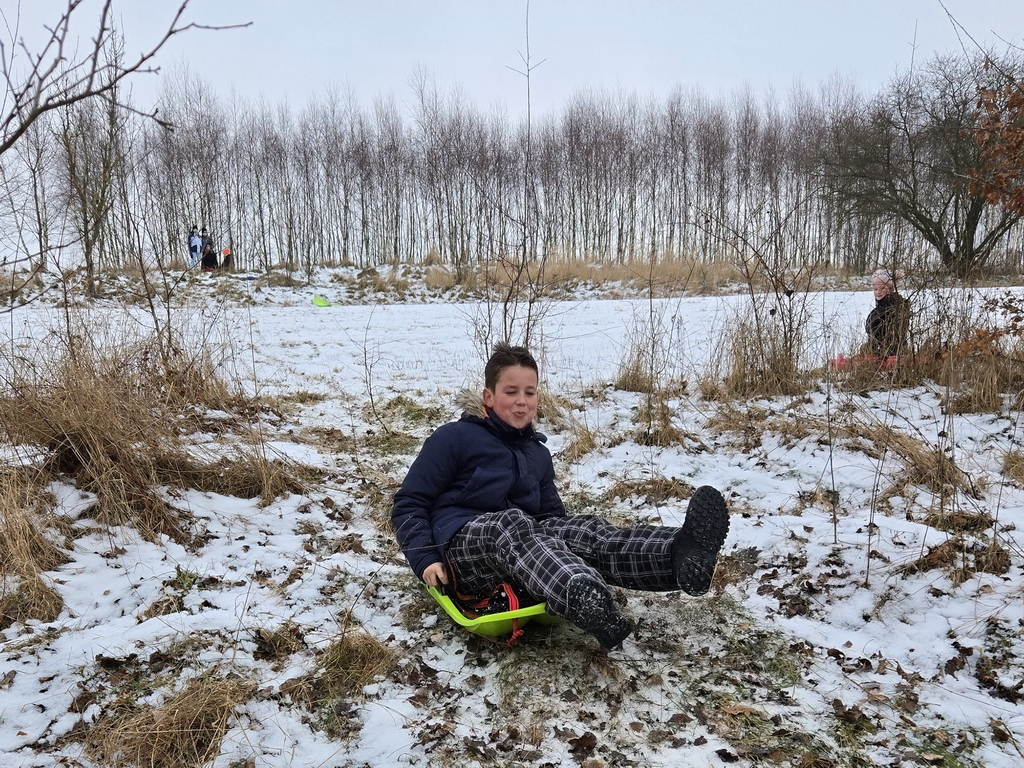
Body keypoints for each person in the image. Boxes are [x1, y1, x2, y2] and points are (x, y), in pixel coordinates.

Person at [391, 342, 730, 650]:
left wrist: (570, 537)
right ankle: (584, 596)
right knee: (510, 524)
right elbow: (409, 503)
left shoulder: (537, 453)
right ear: (488, 397)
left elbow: (551, 518)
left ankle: (677, 556)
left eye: (529, 392)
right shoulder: (454, 438)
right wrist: (425, 559)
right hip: (463, 554)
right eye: (511, 392)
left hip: (523, 555)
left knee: (581, 531)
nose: (522, 401)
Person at [865, 269, 909, 359]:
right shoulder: (879, 308)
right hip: (880, 350)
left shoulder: (894, 307)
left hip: (892, 352)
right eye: (876, 289)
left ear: (890, 289)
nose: (878, 292)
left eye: (882, 288)